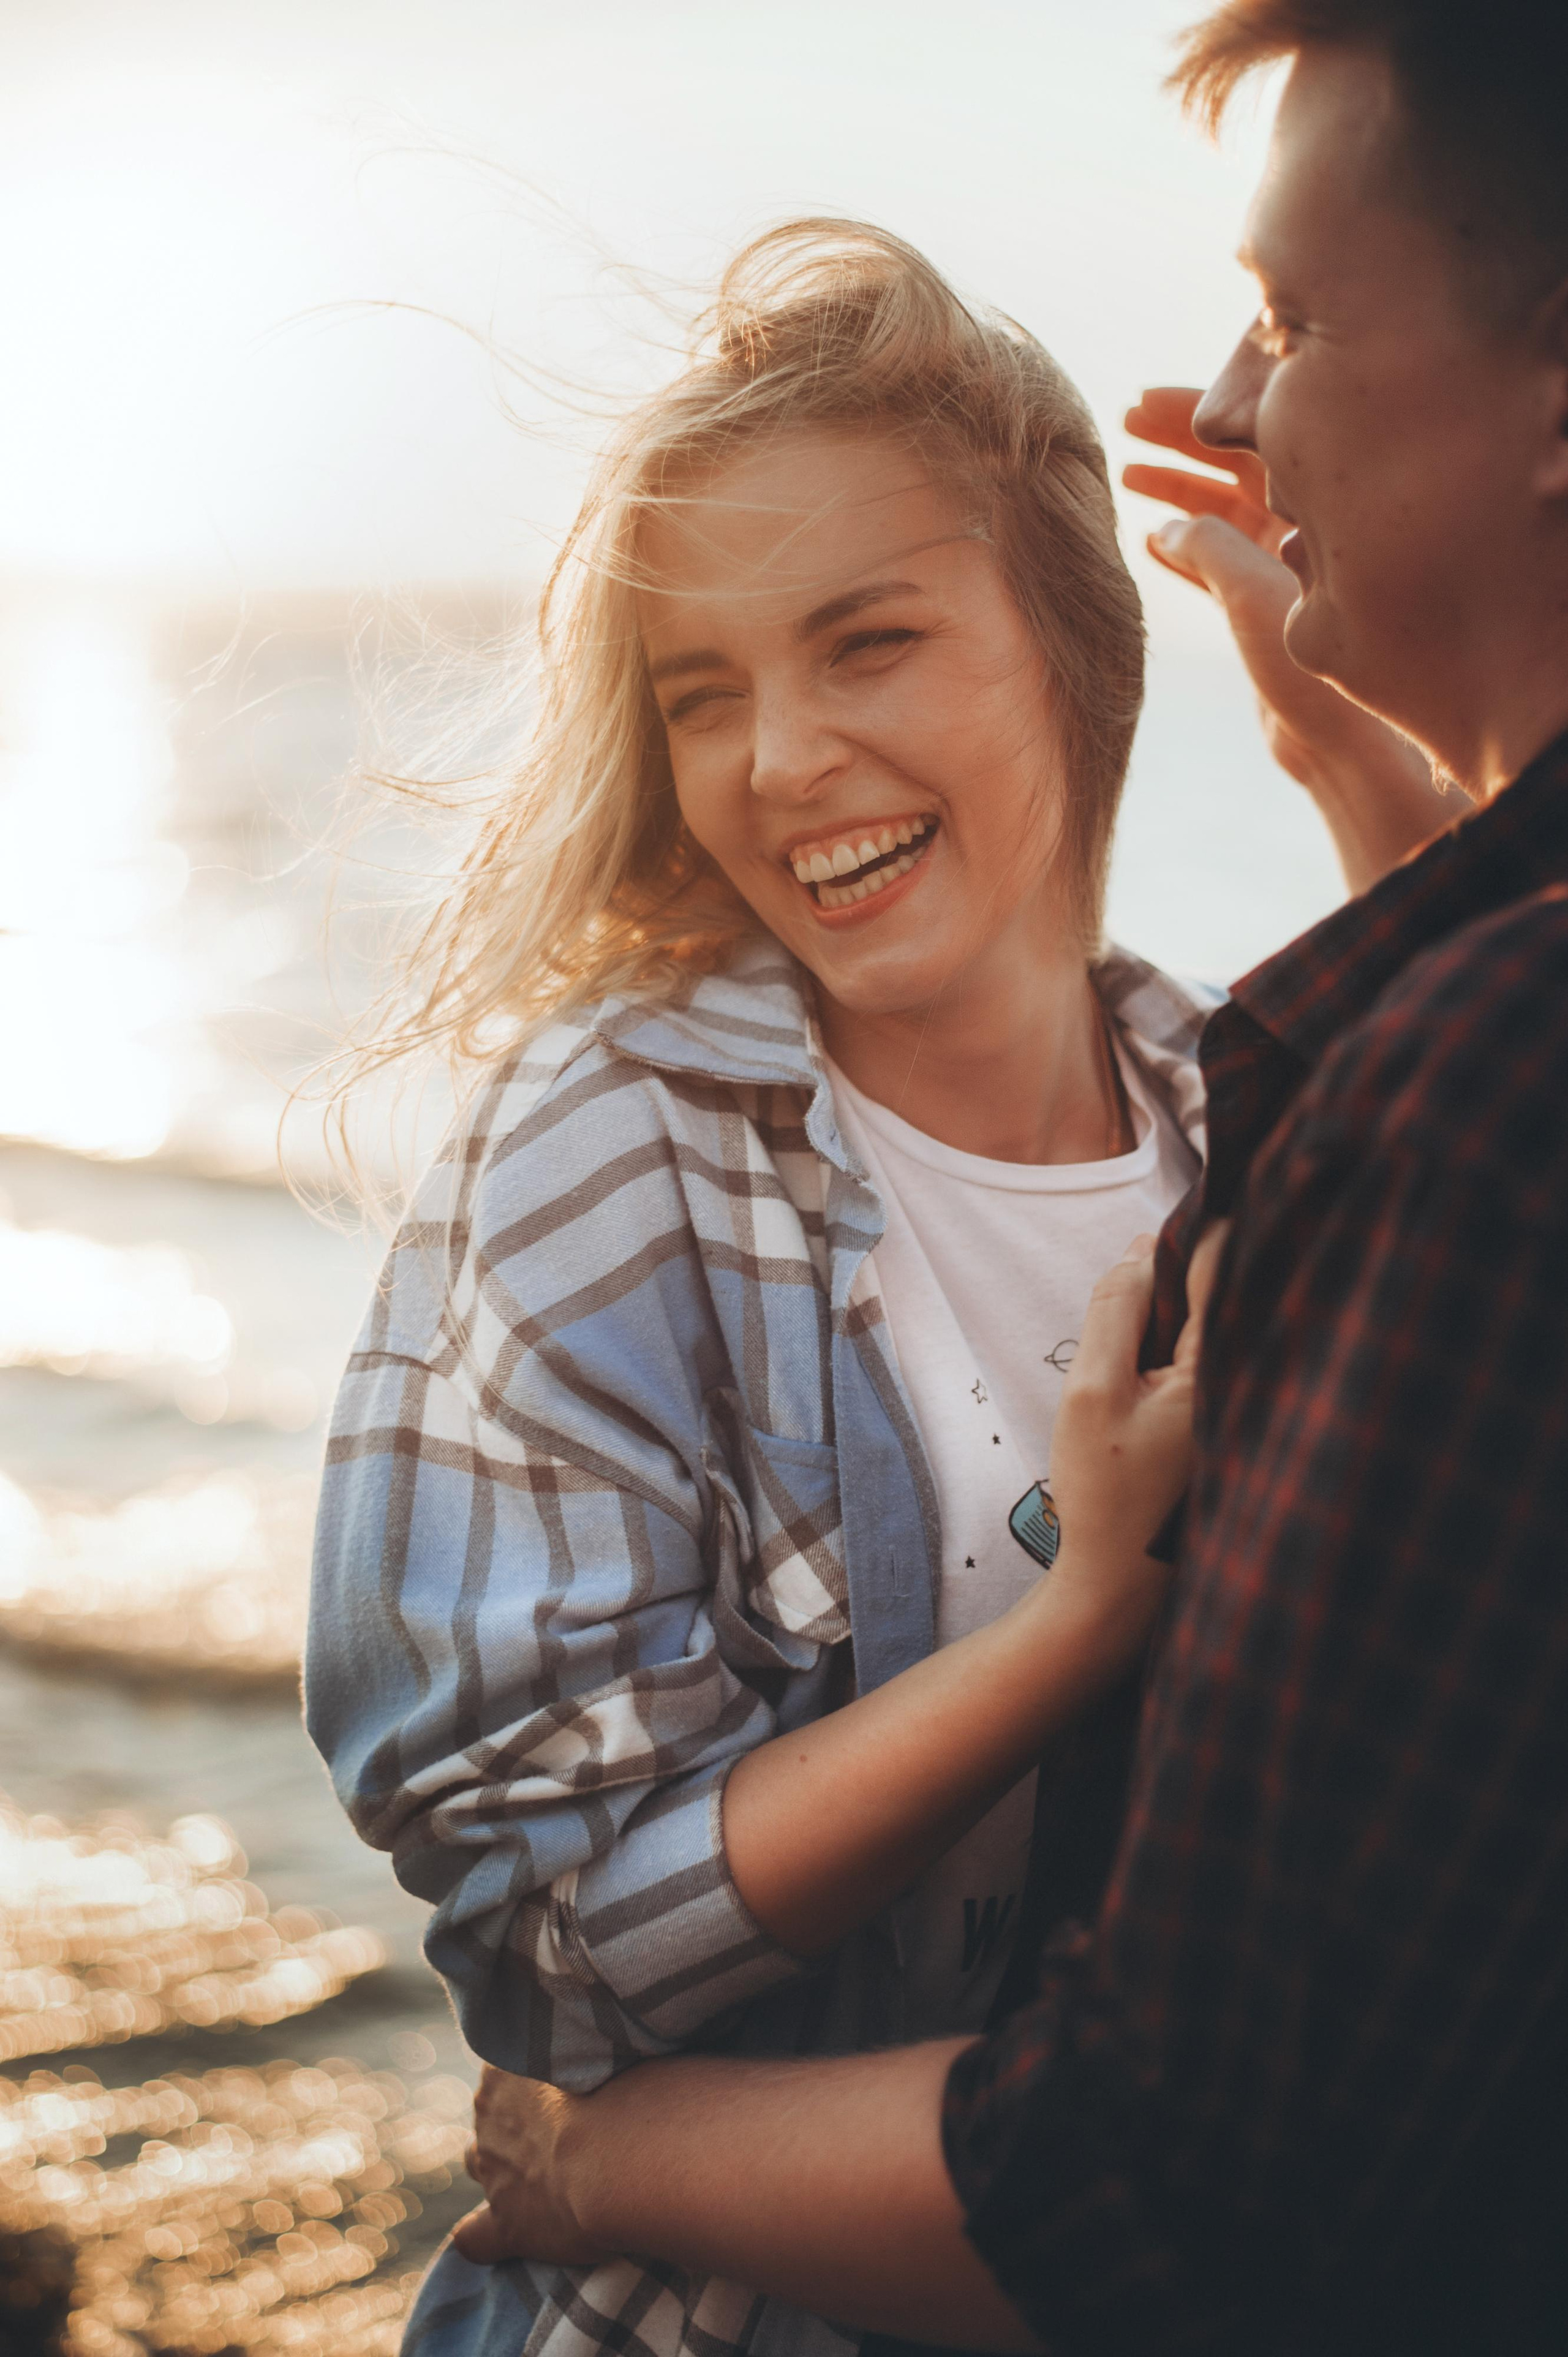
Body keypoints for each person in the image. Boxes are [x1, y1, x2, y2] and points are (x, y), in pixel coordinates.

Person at [449, 5, 1568, 2351]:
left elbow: (1189, 2160)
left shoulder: (1295, 1096)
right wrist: (1394, 778)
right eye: (696, 688)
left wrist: (609, 2157)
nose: (778, 758)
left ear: (1071, 646)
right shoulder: (617, 1145)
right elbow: (539, 1918)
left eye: (873, 636)